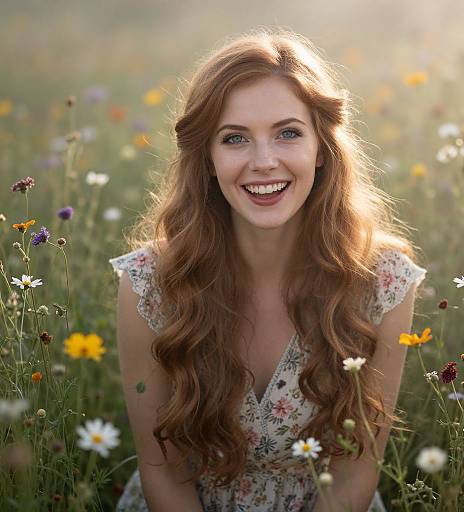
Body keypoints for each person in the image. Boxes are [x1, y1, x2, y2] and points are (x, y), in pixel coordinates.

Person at [109, 27, 427, 512]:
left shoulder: (382, 282)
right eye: (235, 138)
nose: (264, 161)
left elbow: (355, 474)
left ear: (322, 148)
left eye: (288, 133)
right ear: (208, 160)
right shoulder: (149, 285)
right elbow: (161, 471)